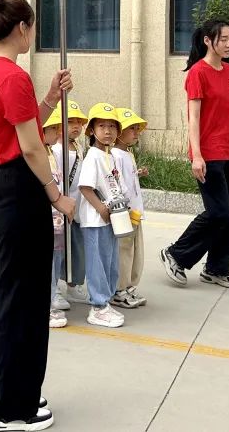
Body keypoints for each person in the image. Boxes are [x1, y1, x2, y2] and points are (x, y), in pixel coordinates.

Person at [0, 0, 74, 432]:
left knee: (11, 298)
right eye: (32, 25)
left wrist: (52, 97)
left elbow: (24, 124)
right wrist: (57, 195)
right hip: (19, 191)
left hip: (3, 190)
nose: (33, 32)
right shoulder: (13, 76)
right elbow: (33, 147)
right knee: (24, 301)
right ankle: (12, 406)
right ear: (22, 28)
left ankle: (7, 396)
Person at [161, 20, 229, 289]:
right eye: (223, 39)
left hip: (227, 153)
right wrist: (196, 155)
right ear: (208, 41)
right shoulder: (197, 73)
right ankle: (176, 254)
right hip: (208, 153)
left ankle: (217, 268)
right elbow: (194, 119)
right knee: (218, 212)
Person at [76, 103, 125, 329]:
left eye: (112, 126)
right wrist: (102, 209)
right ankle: (97, 306)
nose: (108, 131)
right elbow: (85, 187)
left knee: (109, 261)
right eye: (102, 126)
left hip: (111, 218)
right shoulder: (93, 156)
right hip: (96, 219)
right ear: (92, 131)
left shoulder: (110, 156)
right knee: (97, 262)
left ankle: (104, 300)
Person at [41, 106, 77, 329]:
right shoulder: (37, 154)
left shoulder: (53, 153)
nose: (58, 134)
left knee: (57, 257)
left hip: (58, 217)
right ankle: (46, 302)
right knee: (44, 261)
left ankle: (53, 293)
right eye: (54, 129)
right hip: (45, 216)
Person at [53, 101, 89, 307]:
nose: (75, 126)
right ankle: (55, 288)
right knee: (58, 250)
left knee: (76, 249)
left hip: (77, 208)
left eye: (78, 122)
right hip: (60, 209)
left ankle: (73, 286)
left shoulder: (78, 147)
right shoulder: (56, 150)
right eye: (70, 122)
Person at [111, 108, 148, 310]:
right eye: (131, 129)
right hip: (125, 212)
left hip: (135, 211)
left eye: (136, 129)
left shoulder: (127, 153)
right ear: (119, 132)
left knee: (135, 251)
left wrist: (137, 173)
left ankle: (130, 286)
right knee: (124, 251)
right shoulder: (115, 154)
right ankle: (119, 289)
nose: (136, 132)